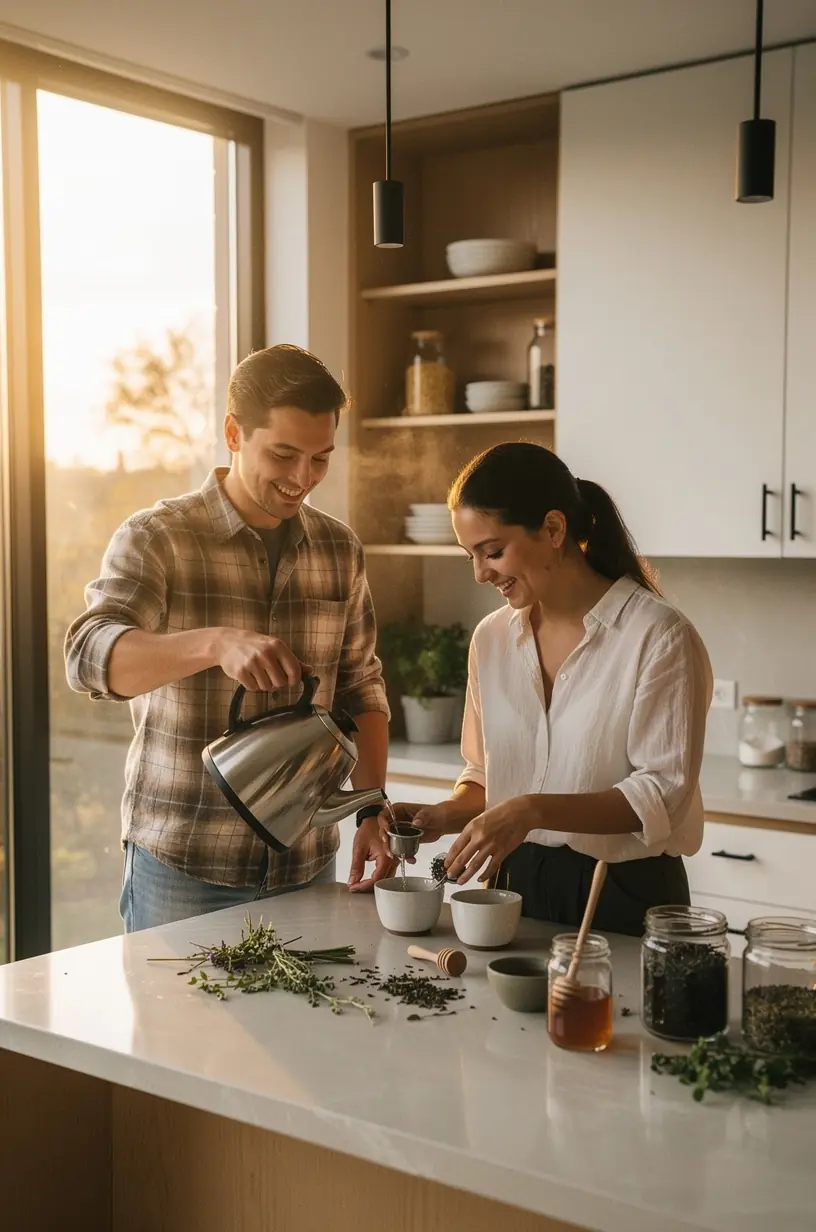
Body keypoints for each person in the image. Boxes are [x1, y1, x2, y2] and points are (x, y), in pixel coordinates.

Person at [66, 344, 394, 932]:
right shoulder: (159, 536)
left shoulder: (339, 549)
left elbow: (362, 688)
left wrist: (370, 808)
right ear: (233, 434)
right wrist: (215, 644)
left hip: (304, 863)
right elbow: (87, 656)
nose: (302, 479)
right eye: (284, 455)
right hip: (183, 866)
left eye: (320, 458)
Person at [384, 442, 712, 937]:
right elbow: (486, 775)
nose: (480, 573)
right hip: (515, 883)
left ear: (554, 529)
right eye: (471, 556)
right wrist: (445, 815)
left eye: (493, 551)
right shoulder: (492, 639)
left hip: (622, 891)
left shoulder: (659, 636)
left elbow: (662, 795)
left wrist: (530, 810)